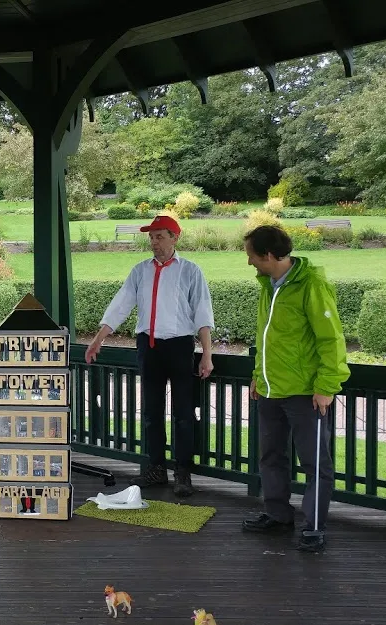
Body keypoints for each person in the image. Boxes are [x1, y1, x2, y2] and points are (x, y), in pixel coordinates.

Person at [86, 215, 215, 497]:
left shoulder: (191, 271)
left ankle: (183, 471)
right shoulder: (140, 271)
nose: (154, 242)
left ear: (174, 238)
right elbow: (120, 305)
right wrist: (98, 340)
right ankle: (156, 469)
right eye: (151, 237)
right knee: (151, 413)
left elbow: (202, 313)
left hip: (181, 346)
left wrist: (207, 354)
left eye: (159, 236)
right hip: (149, 346)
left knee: (183, 414)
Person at [240, 225, 349, 552]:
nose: (249, 263)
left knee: (315, 463)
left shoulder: (311, 286)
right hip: (271, 392)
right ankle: (277, 515)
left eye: (252, 256)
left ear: (270, 255)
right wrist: (259, 376)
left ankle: (314, 527)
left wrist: (327, 386)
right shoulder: (267, 285)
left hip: (305, 393)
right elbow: (265, 338)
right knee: (271, 456)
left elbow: (331, 341)